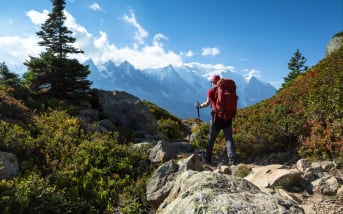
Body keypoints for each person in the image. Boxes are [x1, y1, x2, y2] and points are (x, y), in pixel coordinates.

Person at [195, 75, 236, 165]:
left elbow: (207, 103)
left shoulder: (211, 91)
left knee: (211, 139)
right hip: (227, 118)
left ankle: (207, 158)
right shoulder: (228, 89)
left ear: (213, 82)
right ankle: (232, 160)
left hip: (216, 118)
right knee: (229, 139)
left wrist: (199, 106)